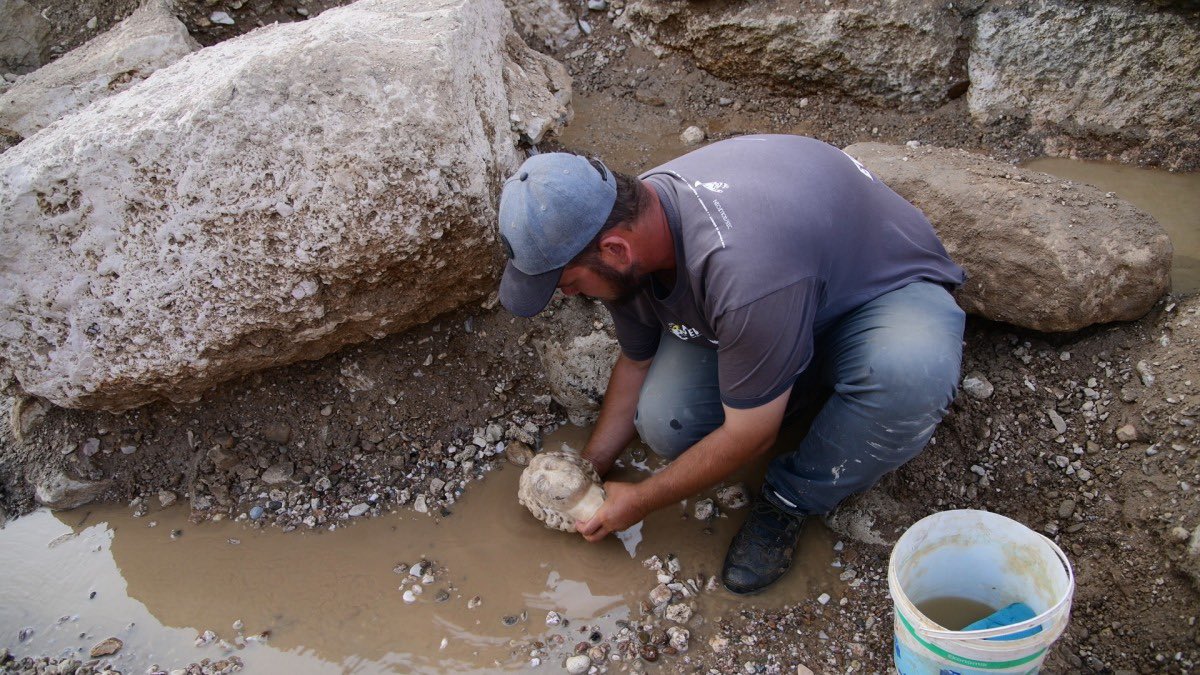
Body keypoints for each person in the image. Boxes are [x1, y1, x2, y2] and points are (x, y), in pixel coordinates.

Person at [497, 135, 966, 594]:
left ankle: (791, 498)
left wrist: (641, 499)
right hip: (776, 298)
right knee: (667, 423)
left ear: (616, 251)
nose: (569, 294)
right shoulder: (619, 221)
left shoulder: (743, 272)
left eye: (569, 282)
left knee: (908, 376)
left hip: (873, 293)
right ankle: (786, 380)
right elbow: (637, 363)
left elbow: (750, 435)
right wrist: (591, 467)